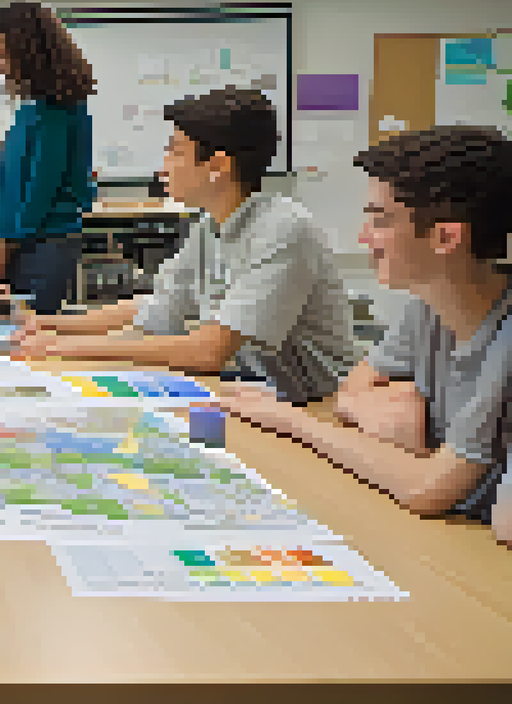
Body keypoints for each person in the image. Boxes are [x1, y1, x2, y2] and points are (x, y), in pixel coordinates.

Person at [0, 86, 356, 405]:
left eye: (175, 151)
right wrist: (44, 324)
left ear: (218, 165)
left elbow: (208, 350)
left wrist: (65, 347)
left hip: (313, 402)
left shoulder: (282, 229)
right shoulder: (212, 225)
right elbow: (158, 309)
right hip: (251, 389)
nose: (163, 166)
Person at [219, 126, 511, 529]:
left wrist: (292, 421)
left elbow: (429, 488)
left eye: (381, 221)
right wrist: (398, 426)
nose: (363, 238)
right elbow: (352, 392)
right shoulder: (428, 307)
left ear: (446, 237)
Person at [0, 0, 97, 316]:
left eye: (2, 54)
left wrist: (2, 249)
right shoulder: (37, 108)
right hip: (28, 242)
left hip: (41, 244)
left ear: (27, 52)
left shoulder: (55, 110)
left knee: (22, 333)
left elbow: (37, 196)